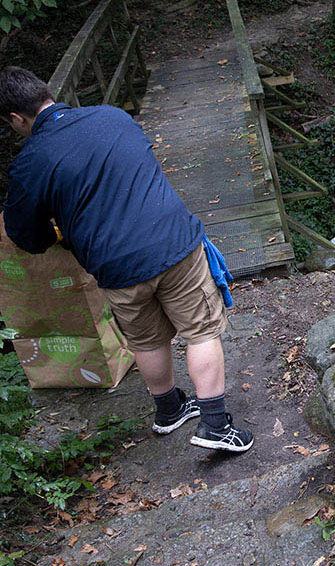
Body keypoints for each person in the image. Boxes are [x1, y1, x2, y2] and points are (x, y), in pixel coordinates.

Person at [0, 66, 253, 452]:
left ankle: (169, 410)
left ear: (16, 118)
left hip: (114, 266)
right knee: (200, 330)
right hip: (173, 244)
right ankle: (215, 426)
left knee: (146, 339)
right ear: (45, 92)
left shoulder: (29, 163)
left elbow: (25, 237)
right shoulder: (112, 116)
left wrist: (58, 232)